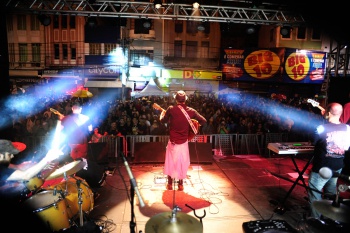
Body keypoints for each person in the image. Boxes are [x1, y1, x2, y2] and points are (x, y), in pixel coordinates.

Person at [0, 139, 63, 232]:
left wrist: (43, 166)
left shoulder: (4, 165)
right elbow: (25, 175)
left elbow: (19, 168)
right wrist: (47, 159)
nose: (12, 156)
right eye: (9, 154)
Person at [307, 102, 350, 219]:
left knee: (315, 192)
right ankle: (329, 219)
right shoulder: (347, 128)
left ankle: (315, 222)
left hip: (322, 167)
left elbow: (314, 141)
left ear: (328, 112)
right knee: (330, 193)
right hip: (338, 165)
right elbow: (346, 147)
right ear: (341, 113)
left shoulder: (321, 128)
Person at [159, 90, 206, 191]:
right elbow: (203, 121)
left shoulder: (171, 109)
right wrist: (195, 126)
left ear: (176, 100)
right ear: (185, 100)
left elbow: (163, 121)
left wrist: (161, 115)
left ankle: (170, 184)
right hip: (184, 142)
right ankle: (181, 185)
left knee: (171, 162)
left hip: (173, 142)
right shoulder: (191, 111)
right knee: (182, 163)